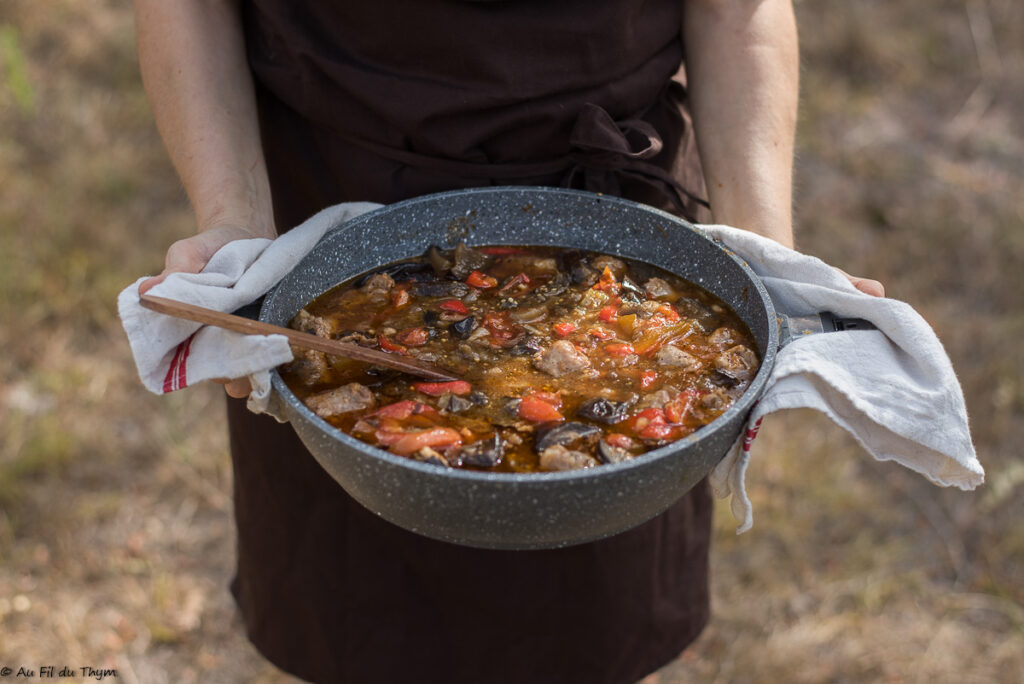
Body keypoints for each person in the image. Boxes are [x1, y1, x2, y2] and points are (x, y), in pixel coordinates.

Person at [132, 2, 883, 682]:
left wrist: (763, 254)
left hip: (622, 221)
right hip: (320, 222)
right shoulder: (300, 280)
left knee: (591, 634)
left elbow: (738, 11)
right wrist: (235, 228)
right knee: (354, 625)